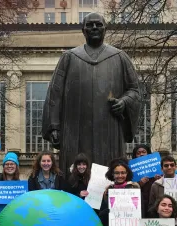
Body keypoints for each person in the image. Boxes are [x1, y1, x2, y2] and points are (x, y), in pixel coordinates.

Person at [41, 12, 142, 178]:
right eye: (90, 25)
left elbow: (135, 91)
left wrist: (124, 102)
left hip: (108, 127)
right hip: (75, 129)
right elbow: (55, 94)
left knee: (109, 174)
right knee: (74, 176)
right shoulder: (69, 57)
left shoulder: (120, 57)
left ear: (105, 29)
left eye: (98, 24)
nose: (94, 28)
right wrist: (54, 126)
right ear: (83, 30)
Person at [98, 158, 140, 226]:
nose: (120, 176)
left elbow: (140, 211)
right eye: (117, 173)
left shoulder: (134, 188)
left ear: (127, 173)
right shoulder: (108, 190)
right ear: (112, 174)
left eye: (123, 173)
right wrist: (111, 210)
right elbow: (102, 214)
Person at [132, 144, 160, 217]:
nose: (141, 154)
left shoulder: (157, 169)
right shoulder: (131, 170)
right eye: (138, 153)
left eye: (144, 152)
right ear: (135, 156)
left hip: (154, 202)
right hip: (139, 203)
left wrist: (158, 180)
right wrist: (139, 184)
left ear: (148, 154)